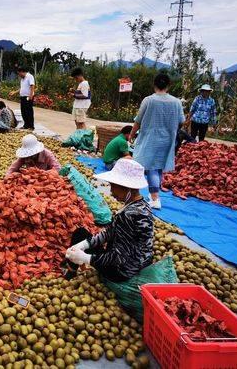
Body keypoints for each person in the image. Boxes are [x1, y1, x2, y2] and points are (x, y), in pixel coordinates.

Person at [64, 159, 154, 282]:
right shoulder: (142, 204)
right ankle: (73, 266)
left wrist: (86, 258)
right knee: (80, 234)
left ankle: (70, 274)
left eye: (113, 186)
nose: (111, 192)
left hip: (123, 271)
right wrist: (84, 245)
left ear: (126, 187)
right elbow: (109, 232)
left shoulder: (129, 215)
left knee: (79, 235)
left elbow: (118, 258)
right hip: (139, 261)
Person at [129, 73, 184, 210]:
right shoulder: (176, 102)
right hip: (167, 139)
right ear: (168, 85)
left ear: (154, 84)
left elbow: (138, 120)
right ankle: (153, 194)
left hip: (151, 138)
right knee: (158, 167)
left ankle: (155, 198)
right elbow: (181, 121)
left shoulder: (149, 100)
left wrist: (131, 134)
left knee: (152, 167)